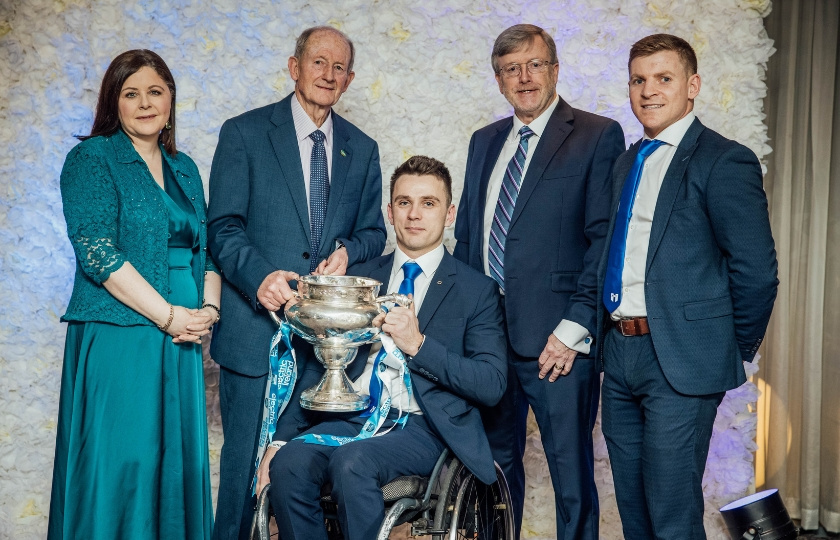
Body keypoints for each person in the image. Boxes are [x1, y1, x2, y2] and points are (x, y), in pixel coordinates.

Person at [254, 155, 508, 540]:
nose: (414, 215)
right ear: (390, 212)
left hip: (424, 426)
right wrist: (281, 439)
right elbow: (316, 362)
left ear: (450, 213)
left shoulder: (477, 290)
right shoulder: (362, 279)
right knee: (289, 463)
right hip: (355, 418)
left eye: (429, 203)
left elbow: (491, 384)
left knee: (352, 461)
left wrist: (417, 345)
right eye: (404, 203)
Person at [206, 26, 387, 540]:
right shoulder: (243, 133)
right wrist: (260, 277)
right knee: (244, 468)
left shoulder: (363, 148)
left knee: (308, 474)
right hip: (254, 336)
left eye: (339, 68)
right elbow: (222, 226)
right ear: (294, 67)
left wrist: (351, 251)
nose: (328, 75)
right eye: (318, 63)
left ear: (349, 79)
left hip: (329, 348)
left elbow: (374, 231)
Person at [597, 34, 778, 538]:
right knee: (633, 511)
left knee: (672, 515)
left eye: (663, 78)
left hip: (680, 358)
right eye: (638, 79)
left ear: (692, 85)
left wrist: (728, 347)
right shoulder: (627, 162)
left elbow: (757, 271)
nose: (648, 90)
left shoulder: (724, 160)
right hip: (620, 352)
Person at [453, 24, 625, 539]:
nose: (523, 77)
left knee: (571, 476)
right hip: (488, 341)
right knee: (492, 472)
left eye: (533, 65)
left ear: (554, 69)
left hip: (558, 342)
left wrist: (576, 327)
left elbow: (604, 241)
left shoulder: (597, 134)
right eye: (510, 69)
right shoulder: (483, 142)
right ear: (499, 80)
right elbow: (467, 241)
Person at [48, 50, 219, 539]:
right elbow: (97, 252)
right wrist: (169, 316)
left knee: (174, 466)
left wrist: (207, 309)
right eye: (131, 93)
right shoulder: (92, 159)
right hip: (123, 335)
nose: (145, 103)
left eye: (155, 91)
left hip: (183, 340)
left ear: (170, 99)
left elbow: (204, 251)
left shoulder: (184, 167)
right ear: (113, 103)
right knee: (124, 464)